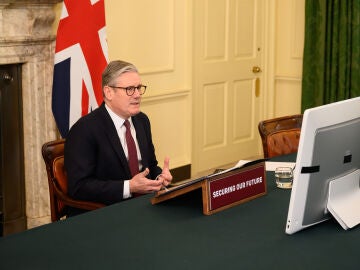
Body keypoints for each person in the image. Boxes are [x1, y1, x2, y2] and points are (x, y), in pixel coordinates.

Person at [64, 60, 173, 216]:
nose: (137, 95)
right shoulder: (84, 130)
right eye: (129, 89)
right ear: (109, 92)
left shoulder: (142, 120)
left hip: (144, 205)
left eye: (139, 88)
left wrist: (159, 177)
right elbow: (79, 187)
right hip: (106, 213)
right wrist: (129, 187)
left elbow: (150, 165)